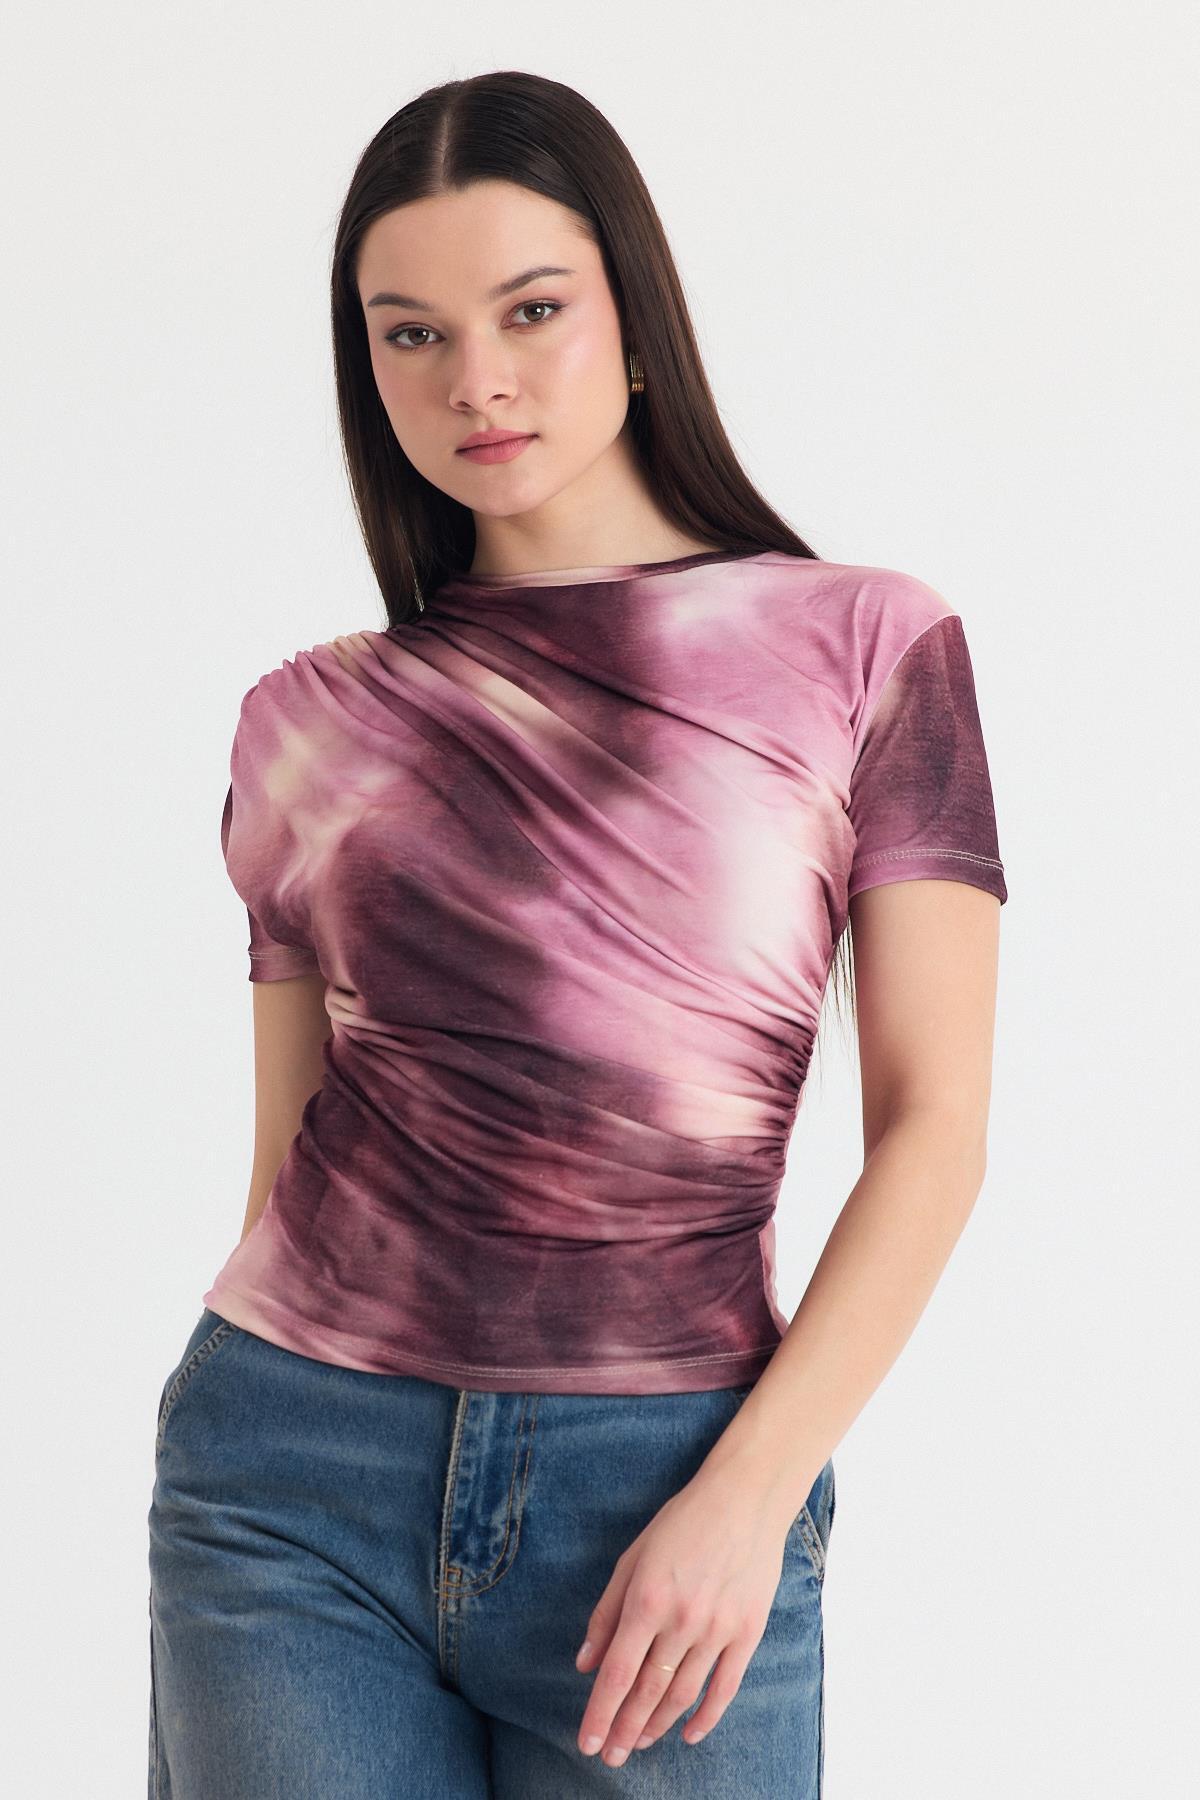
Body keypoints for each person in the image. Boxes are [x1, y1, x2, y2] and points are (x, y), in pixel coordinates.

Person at [146, 70, 1008, 1800]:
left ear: (635, 321)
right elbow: (286, 1154)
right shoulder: (306, 717)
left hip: (671, 1478)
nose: (475, 379)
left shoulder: (865, 647)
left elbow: (935, 1128)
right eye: (411, 334)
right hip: (289, 1485)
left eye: (530, 310)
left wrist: (751, 1495)